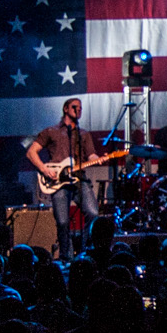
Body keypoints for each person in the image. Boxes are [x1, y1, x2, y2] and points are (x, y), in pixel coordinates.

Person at [26, 98, 108, 259]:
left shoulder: (83, 134)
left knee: (93, 213)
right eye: (75, 107)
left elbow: (91, 155)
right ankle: (67, 256)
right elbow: (31, 152)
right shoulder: (51, 131)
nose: (79, 110)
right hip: (58, 181)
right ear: (65, 109)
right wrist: (44, 169)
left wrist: (99, 159)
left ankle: (85, 252)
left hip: (79, 179)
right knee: (62, 221)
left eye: (81, 108)